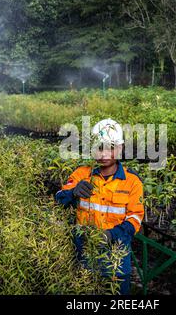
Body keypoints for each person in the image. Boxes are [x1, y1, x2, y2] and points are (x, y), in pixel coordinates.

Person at [55, 118, 144, 295]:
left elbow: (135, 219)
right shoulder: (82, 174)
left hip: (117, 259)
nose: (103, 154)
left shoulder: (132, 182)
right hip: (84, 253)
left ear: (120, 148)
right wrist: (73, 192)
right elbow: (58, 199)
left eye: (110, 148)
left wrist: (112, 234)